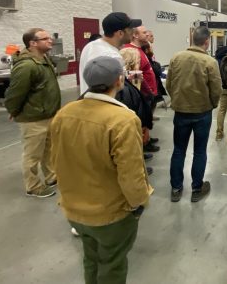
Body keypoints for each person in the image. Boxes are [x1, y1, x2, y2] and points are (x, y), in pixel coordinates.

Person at [50, 56, 152, 284]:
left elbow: (55, 159)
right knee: (113, 265)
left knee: (91, 258)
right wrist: (138, 203)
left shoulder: (64, 113)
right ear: (119, 80)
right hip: (110, 214)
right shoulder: (123, 120)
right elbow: (131, 174)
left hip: (75, 209)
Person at [166, 26, 222, 203]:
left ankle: (176, 188)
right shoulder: (210, 62)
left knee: (179, 150)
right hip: (202, 113)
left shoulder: (176, 58)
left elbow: (169, 84)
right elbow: (216, 89)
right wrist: (212, 104)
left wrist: (177, 99)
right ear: (206, 42)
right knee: (199, 150)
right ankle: (197, 188)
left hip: (181, 112)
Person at [4, 28, 61, 198]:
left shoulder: (44, 59)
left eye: (49, 37)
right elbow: (15, 93)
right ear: (33, 43)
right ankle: (33, 186)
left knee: (49, 149)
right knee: (33, 154)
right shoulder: (27, 65)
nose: (50, 40)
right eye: (45, 38)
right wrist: (12, 110)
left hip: (48, 114)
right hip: (33, 118)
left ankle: (51, 177)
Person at [78, 12, 142, 94]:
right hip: (104, 105)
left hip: (89, 101)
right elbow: (115, 91)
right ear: (120, 33)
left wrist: (126, 78)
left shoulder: (89, 46)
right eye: (130, 29)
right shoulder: (113, 57)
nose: (133, 32)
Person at [118, 47, 156, 176]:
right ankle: (138, 171)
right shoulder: (129, 78)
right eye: (138, 59)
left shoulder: (124, 76)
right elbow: (137, 95)